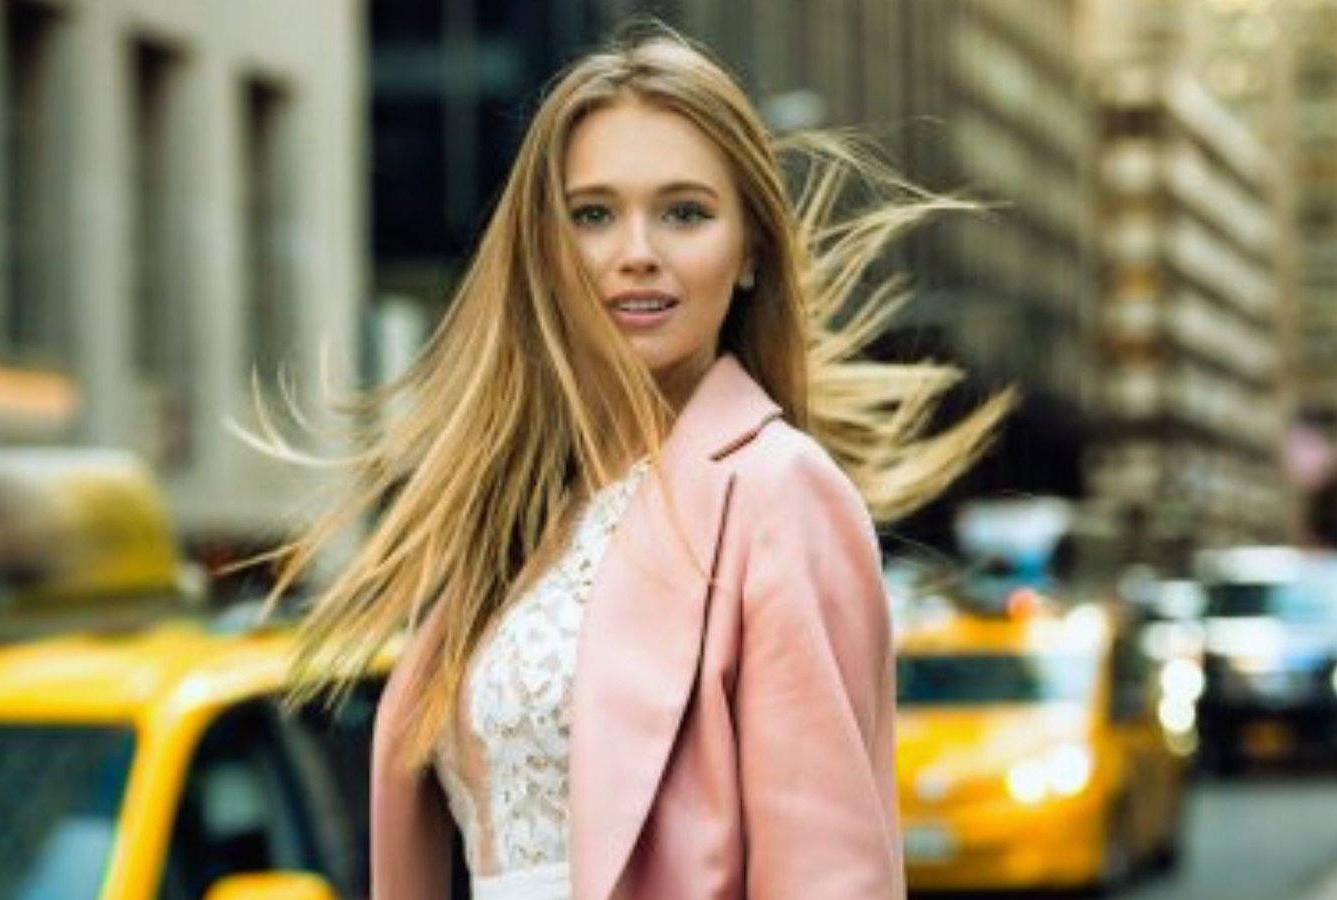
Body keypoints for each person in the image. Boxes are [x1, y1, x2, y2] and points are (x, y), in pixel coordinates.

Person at [267, 23, 1008, 900]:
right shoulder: (518, 511)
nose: (636, 252)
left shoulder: (779, 492)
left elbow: (826, 879)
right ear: (548, 251)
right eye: (592, 214)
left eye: (685, 212)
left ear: (750, 254)